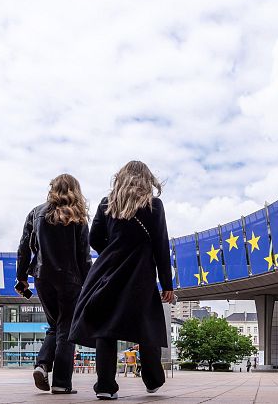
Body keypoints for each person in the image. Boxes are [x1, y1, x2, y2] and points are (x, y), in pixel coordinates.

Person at [70, 161, 174, 400]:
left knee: (105, 328)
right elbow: (161, 245)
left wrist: (114, 250)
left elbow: (94, 239)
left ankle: (105, 386)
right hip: (140, 274)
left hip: (107, 272)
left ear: (121, 177)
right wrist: (166, 284)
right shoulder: (154, 205)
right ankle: (153, 380)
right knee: (147, 324)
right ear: (147, 179)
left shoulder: (106, 204)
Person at [18, 174, 92, 395]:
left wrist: (21, 277)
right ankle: (61, 383)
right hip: (70, 280)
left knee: (55, 325)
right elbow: (84, 256)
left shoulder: (36, 212)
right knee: (66, 329)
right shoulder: (78, 216)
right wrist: (89, 285)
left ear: (52, 188)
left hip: (42, 277)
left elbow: (24, 247)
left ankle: (42, 364)